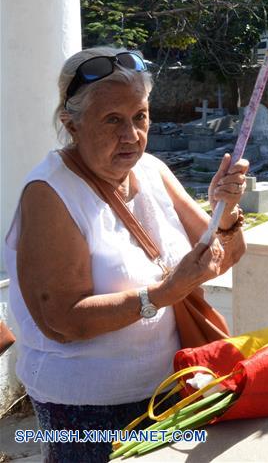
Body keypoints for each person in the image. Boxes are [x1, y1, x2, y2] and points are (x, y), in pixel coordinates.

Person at [4, 47, 249, 462]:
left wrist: (223, 213)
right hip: (85, 411)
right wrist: (161, 294)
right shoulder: (50, 193)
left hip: (171, 387)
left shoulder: (151, 171)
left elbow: (224, 256)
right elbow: (62, 321)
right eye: (113, 120)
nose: (132, 135)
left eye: (140, 116)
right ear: (72, 125)